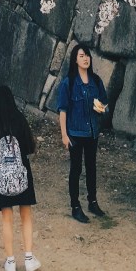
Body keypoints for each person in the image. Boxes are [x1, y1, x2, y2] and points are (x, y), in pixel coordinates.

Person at [0, 85, 41, 271]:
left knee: (7, 218)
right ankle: (29, 258)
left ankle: (11, 262)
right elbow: (30, 147)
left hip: (1, 179)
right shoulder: (20, 120)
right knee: (26, 214)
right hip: (21, 174)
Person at [57, 43, 109, 223]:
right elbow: (62, 110)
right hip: (75, 134)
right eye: (81, 55)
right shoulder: (69, 83)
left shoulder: (96, 81)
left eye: (87, 55)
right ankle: (75, 206)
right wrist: (64, 135)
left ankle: (92, 202)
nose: (85, 58)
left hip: (92, 133)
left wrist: (101, 108)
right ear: (75, 60)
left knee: (91, 167)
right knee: (76, 169)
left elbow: (104, 105)